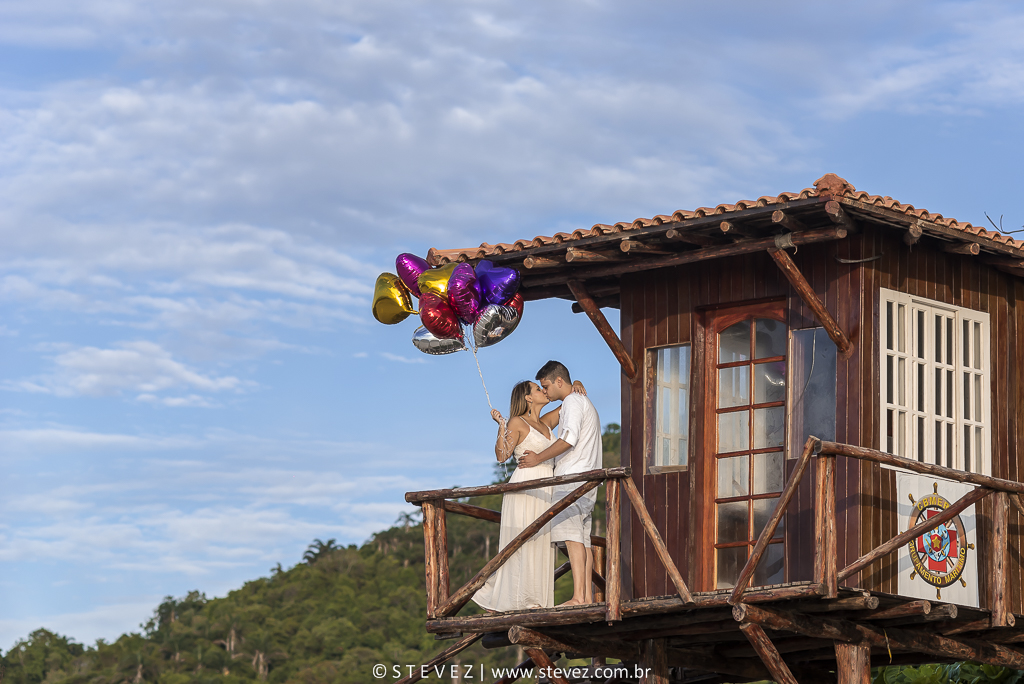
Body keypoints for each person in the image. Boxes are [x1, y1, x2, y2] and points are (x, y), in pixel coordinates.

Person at [472, 378, 586, 611]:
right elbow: (502, 456)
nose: (543, 391)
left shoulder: (545, 422)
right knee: (523, 542)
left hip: (546, 489)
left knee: (540, 543)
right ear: (528, 398)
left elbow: (568, 401)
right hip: (525, 487)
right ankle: (514, 600)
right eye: (537, 389)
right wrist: (501, 425)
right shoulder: (518, 421)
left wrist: (575, 382)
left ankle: (534, 600)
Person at [519, 360, 602, 606]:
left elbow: (568, 440)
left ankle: (578, 597)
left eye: (546, 386)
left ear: (558, 381)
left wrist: (537, 458)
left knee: (573, 539)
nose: (545, 392)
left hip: (573, 479)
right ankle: (585, 597)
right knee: (583, 540)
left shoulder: (574, 402)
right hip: (586, 478)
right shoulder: (576, 401)